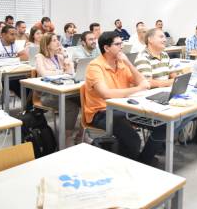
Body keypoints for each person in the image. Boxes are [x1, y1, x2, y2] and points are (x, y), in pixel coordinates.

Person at [83, 31, 164, 165]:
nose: (122, 47)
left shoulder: (121, 63)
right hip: (101, 112)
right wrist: (137, 89)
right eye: (118, 44)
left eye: (122, 43)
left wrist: (128, 63)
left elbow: (143, 82)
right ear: (106, 48)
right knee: (133, 139)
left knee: (162, 125)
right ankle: (135, 163)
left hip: (124, 108)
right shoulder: (95, 66)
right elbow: (106, 94)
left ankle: (143, 160)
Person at [35, 33, 81, 146]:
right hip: (48, 95)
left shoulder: (59, 57)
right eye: (54, 40)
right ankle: (66, 137)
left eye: (57, 40)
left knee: (84, 100)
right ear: (47, 44)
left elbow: (70, 72)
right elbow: (44, 73)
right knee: (72, 107)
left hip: (65, 90)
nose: (58, 43)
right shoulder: (40, 57)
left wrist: (65, 55)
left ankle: (81, 134)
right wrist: (62, 72)